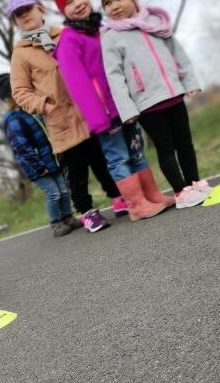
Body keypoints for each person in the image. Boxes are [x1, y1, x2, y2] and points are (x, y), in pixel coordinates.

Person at [7, 0, 128, 233]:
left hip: (88, 112)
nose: (24, 16)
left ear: (40, 9)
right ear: (15, 22)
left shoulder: (65, 35)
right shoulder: (20, 54)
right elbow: (20, 92)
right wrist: (44, 105)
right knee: (76, 171)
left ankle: (118, 197)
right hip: (60, 119)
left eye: (27, 10)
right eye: (18, 15)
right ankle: (87, 212)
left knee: (102, 160)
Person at [53, 0, 172, 221]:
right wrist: (98, 118)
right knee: (118, 158)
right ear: (63, 10)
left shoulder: (103, 28)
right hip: (105, 114)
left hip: (125, 105)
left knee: (137, 152)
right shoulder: (68, 40)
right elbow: (78, 85)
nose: (77, 4)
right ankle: (136, 205)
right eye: (68, 3)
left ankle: (152, 195)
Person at [101, 0, 211, 209]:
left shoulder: (155, 22)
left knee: (185, 143)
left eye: (118, 0)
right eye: (106, 3)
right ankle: (180, 191)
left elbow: (177, 53)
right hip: (146, 103)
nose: (113, 6)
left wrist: (189, 82)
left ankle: (194, 183)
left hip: (173, 93)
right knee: (166, 147)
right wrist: (127, 109)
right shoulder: (110, 36)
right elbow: (114, 76)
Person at [0, 73, 76, 237]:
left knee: (64, 190)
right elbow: (21, 147)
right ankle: (56, 223)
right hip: (37, 166)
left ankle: (68, 217)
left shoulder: (30, 111)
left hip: (51, 159)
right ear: (12, 97)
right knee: (53, 193)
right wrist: (38, 166)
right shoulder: (14, 119)